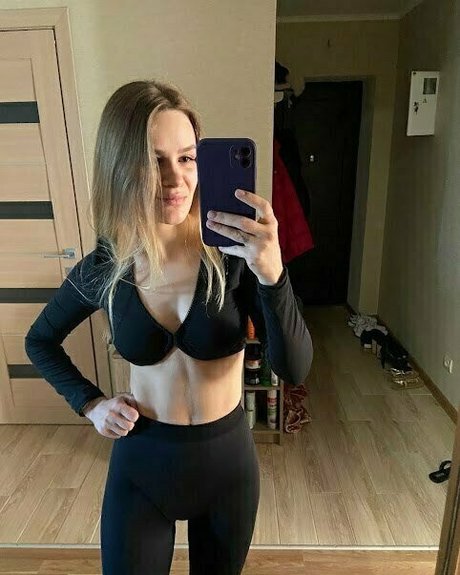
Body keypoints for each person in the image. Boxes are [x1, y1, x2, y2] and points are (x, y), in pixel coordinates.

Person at [25, 79, 313, 575]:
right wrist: (91, 404)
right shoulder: (107, 266)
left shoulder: (237, 255)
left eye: (186, 158)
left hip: (227, 468)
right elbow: (40, 340)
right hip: (141, 467)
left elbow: (295, 368)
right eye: (153, 161)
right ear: (120, 168)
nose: (174, 180)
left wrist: (273, 273)